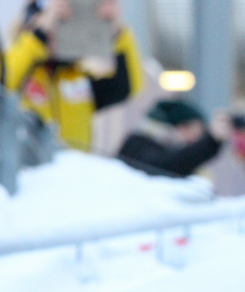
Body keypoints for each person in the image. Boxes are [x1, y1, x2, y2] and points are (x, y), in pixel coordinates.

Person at [3, 0, 144, 153]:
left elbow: (129, 86)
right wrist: (39, 34)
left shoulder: (79, 79)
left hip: (73, 173)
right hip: (31, 173)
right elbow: (6, 83)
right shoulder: (18, 67)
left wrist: (117, 32)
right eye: (58, 23)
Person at [117, 99, 231, 177]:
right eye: (196, 131)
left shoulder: (160, 147)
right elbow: (164, 166)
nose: (196, 139)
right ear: (181, 127)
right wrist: (210, 142)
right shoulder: (139, 144)